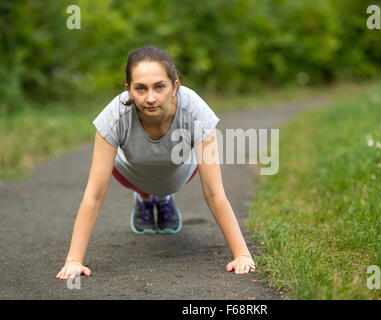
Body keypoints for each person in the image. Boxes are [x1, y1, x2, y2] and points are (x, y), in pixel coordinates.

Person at [56, 45, 256, 281]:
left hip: (180, 170)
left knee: (167, 183)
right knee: (138, 178)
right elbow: (95, 193)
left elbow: (214, 192)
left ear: (175, 86)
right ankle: (145, 197)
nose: (150, 98)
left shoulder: (195, 110)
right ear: (128, 90)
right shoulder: (114, 116)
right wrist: (73, 261)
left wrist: (242, 254)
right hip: (130, 170)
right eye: (140, 88)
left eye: (159, 87)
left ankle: (161, 197)